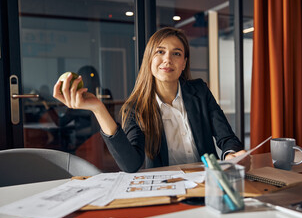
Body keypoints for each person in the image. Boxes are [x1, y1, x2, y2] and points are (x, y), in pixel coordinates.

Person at [53, 27, 249, 173]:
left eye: (176, 54)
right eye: (160, 51)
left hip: (207, 181)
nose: (167, 59)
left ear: (184, 63)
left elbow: (227, 139)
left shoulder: (200, 91)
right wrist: (98, 108)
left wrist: (231, 154)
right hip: (165, 186)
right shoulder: (135, 107)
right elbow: (130, 165)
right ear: (149, 60)